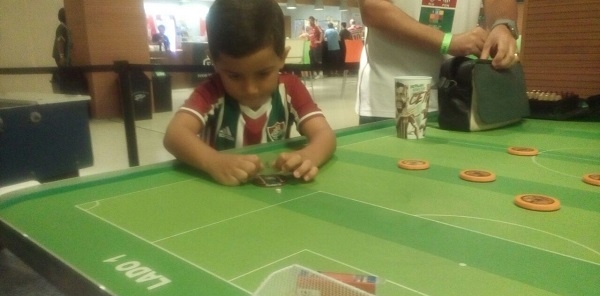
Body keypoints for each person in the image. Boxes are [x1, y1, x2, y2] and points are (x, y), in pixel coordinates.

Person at [163, 0, 336, 186]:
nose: (250, 89)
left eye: (263, 73)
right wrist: (214, 162)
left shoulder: (290, 88)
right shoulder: (212, 90)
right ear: (213, 61)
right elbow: (174, 135)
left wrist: (308, 156)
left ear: (282, 58)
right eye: (234, 76)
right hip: (220, 194)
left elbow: (325, 135)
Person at [356, 0, 520, 124]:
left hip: (458, 98)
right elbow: (372, 8)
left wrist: (503, 25)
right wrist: (448, 42)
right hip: (391, 98)